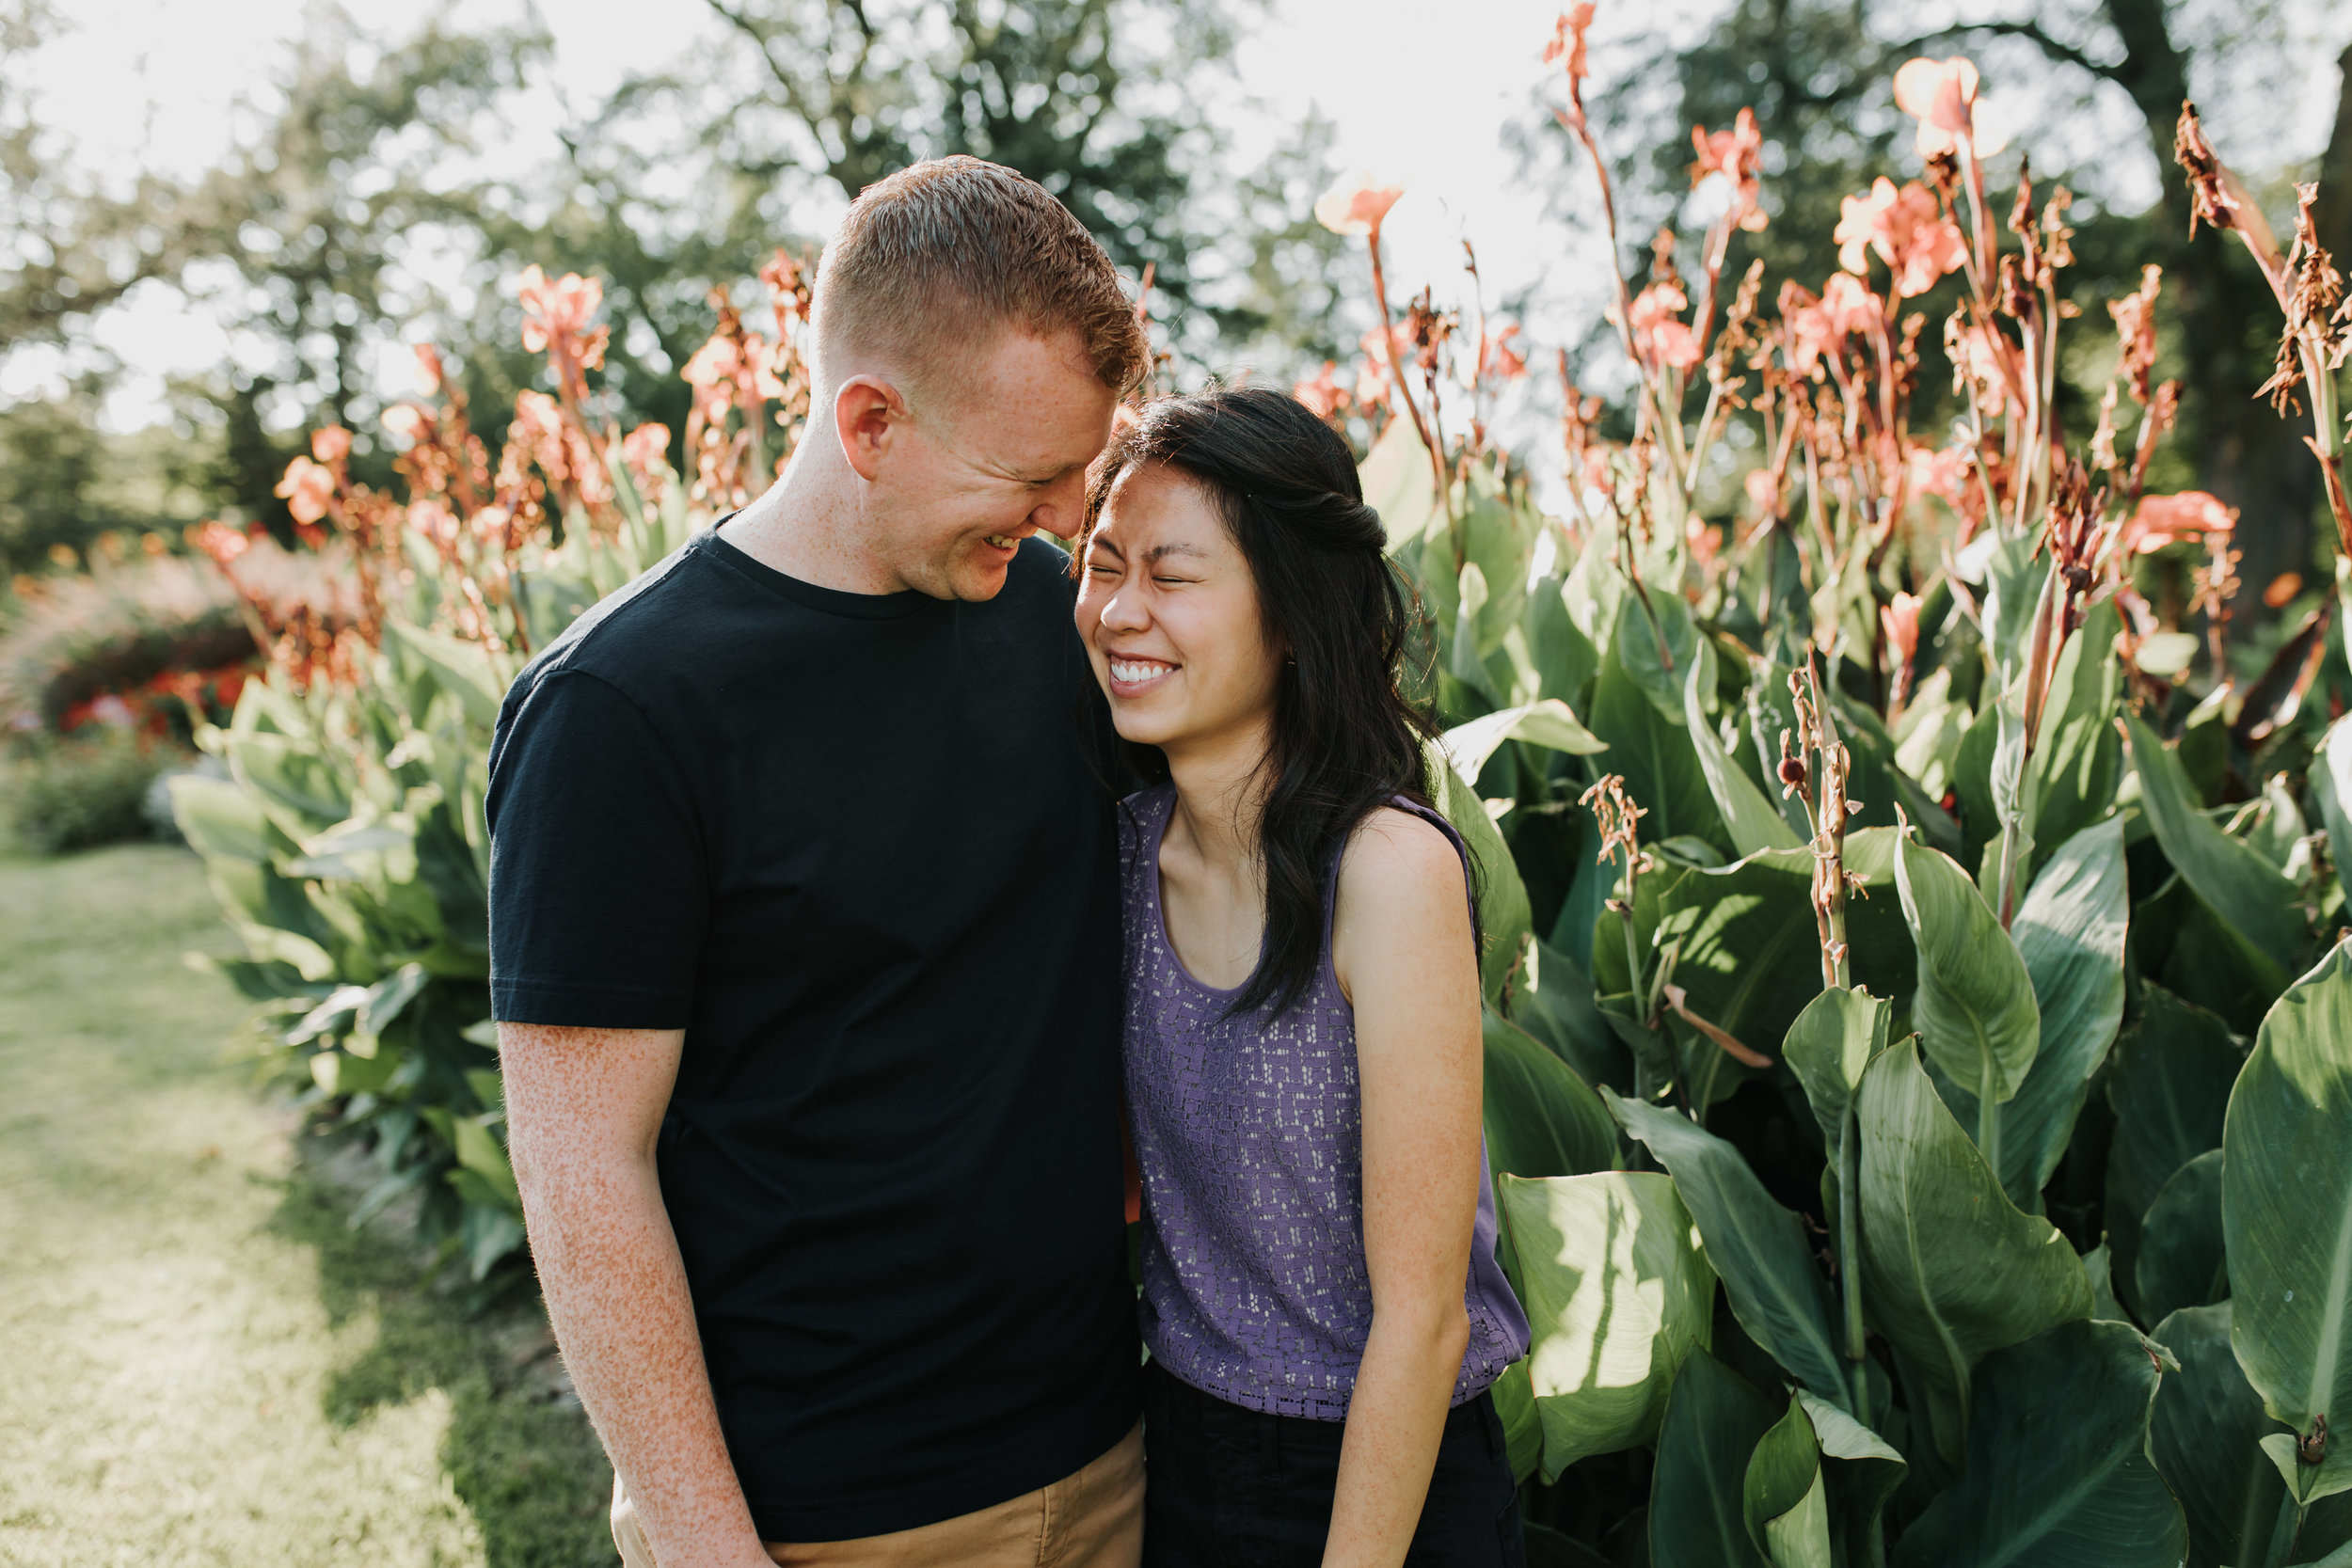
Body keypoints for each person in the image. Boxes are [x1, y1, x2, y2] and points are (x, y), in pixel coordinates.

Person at [486, 156, 1151, 1568]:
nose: (1063, 515)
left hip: (1109, 1454)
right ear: (870, 420)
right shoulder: (621, 709)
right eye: (1031, 475)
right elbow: (580, 1173)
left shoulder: (1054, 617)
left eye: (1079, 471)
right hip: (825, 1514)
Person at [1074, 387, 1533, 1568]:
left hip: (1389, 1471)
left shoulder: (1384, 871)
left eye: (1173, 576)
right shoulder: (1116, 858)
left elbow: (1423, 1323)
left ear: (1291, 610)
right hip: (1176, 1449)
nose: (1122, 611)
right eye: (1102, 562)